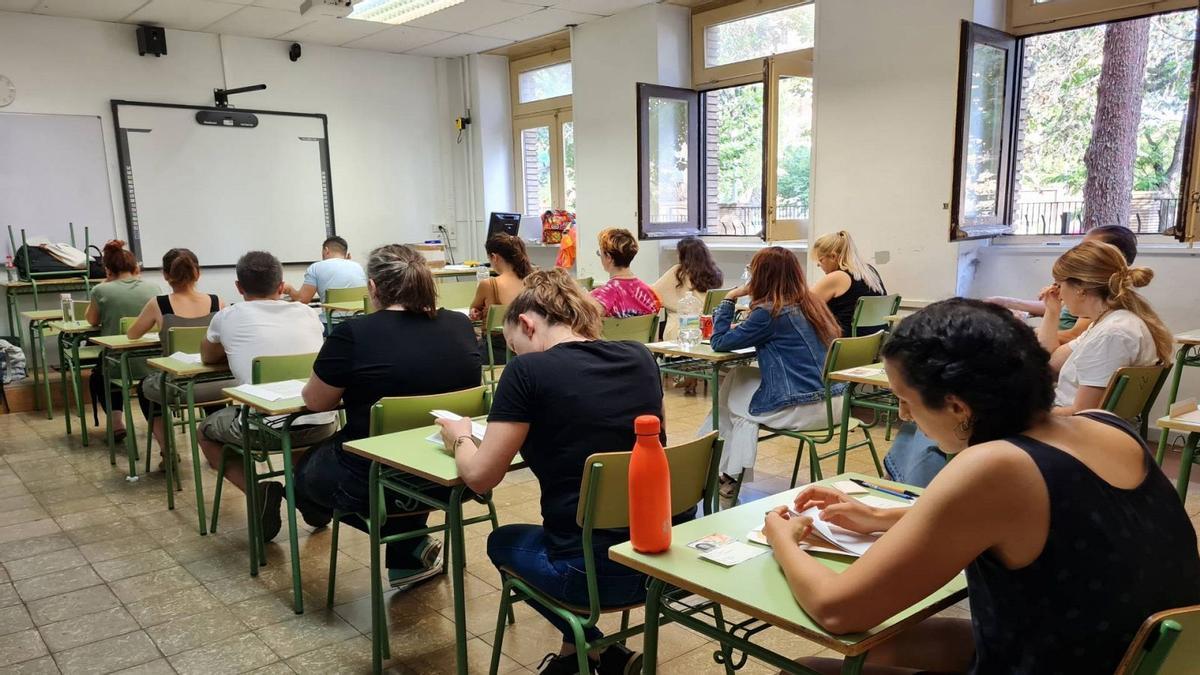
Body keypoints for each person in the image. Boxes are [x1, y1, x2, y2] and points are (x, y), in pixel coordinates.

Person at [762, 298, 1200, 674]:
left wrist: (784, 539)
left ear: (957, 407)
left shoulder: (995, 465)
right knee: (883, 648)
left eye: (906, 401)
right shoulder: (1107, 425)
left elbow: (837, 609)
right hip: (1128, 656)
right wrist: (880, 516)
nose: (905, 416)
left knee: (806, 668)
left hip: (1073, 661)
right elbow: (1044, 522)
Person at [437, 268, 672, 674]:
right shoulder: (640, 356)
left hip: (589, 573)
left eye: (515, 347)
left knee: (501, 541)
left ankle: (588, 647)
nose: (516, 356)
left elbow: (480, 477)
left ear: (527, 324)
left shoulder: (527, 372)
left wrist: (460, 437)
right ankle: (582, 655)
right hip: (662, 562)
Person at [295, 244, 482, 590]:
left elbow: (316, 402)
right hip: (453, 472)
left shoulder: (353, 334)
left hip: (373, 479)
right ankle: (406, 553)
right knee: (401, 453)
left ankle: (404, 539)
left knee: (304, 474)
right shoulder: (459, 325)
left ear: (373, 287)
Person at [198, 251, 338, 542]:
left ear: (239, 287)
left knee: (205, 432)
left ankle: (258, 492)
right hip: (322, 423)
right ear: (281, 286)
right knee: (297, 437)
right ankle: (310, 496)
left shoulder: (227, 316)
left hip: (264, 430)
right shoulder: (308, 313)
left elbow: (208, 357)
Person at [702, 247, 843, 500]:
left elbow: (719, 342)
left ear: (761, 276)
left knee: (739, 409)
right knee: (737, 378)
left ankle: (720, 469)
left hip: (804, 407)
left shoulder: (768, 313)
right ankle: (717, 465)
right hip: (837, 403)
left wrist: (730, 298)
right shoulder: (812, 304)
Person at [1039, 240, 1172, 416]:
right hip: (1070, 418)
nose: (1059, 293)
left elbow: (1084, 413)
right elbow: (1052, 362)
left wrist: (1028, 416)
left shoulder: (1112, 334)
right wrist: (1052, 311)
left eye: (1059, 284)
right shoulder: (1110, 322)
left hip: (1072, 426)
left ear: (1080, 288)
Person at [126, 248, 230, 466]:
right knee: (208, 381)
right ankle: (219, 448)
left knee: (145, 388)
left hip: (180, 389)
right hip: (222, 386)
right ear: (198, 273)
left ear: (165, 275)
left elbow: (132, 334)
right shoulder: (218, 302)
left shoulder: (159, 303)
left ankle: (169, 451)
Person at [986, 224, 1138, 345]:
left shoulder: (1098, 297)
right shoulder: (1085, 291)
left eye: (1088, 248)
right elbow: (1059, 308)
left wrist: (1020, 330)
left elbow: (1072, 337)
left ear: (1110, 255)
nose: (1079, 252)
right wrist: (1008, 303)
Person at [85, 240, 159, 441]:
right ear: (136, 267)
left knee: (99, 375)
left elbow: (91, 320)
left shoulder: (101, 290)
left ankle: (116, 422)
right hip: (155, 363)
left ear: (108, 270)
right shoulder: (154, 288)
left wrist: (104, 283)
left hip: (119, 363)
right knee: (111, 367)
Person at [809, 231, 888, 337]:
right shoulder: (870, 271)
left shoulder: (838, 277)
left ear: (833, 256)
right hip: (875, 340)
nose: (818, 265)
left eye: (820, 260)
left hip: (845, 341)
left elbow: (801, 306)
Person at [470, 234, 532, 366]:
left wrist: (476, 312)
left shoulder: (489, 284)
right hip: (528, 348)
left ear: (494, 257)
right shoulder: (532, 281)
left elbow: (474, 310)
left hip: (495, 353)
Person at [652, 235, 724, 341]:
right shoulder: (714, 273)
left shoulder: (678, 272)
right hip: (708, 328)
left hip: (680, 328)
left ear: (684, 256)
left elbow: (653, 292)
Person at [590, 228, 660, 318]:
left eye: (600, 253)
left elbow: (587, 320)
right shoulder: (649, 295)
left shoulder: (602, 296)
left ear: (608, 257)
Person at [283, 235, 367, 305]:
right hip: (361, 318)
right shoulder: (358, 267)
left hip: (331, 320)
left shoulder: (315, 268)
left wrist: (290, 289)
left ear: (326, 250)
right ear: (346, 254)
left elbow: (302, 300)